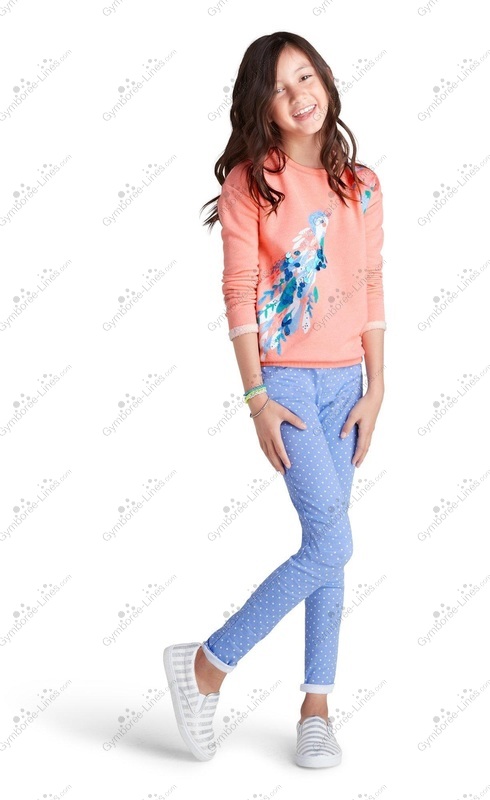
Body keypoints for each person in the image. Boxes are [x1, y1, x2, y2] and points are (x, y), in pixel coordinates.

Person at [164, 30, 386, 769]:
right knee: (333, 543)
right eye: (281, 87)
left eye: (306, 76)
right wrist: (257, 397)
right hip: (286, 382)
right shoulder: (250, 183)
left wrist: (377, 387)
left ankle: (316, 708)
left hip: (348, 386)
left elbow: (371, 284)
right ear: (263, 106)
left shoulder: (361, 185)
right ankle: (207, 665)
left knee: (329, 546)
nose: (299, 95)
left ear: (325, 78)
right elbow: (238, 291)